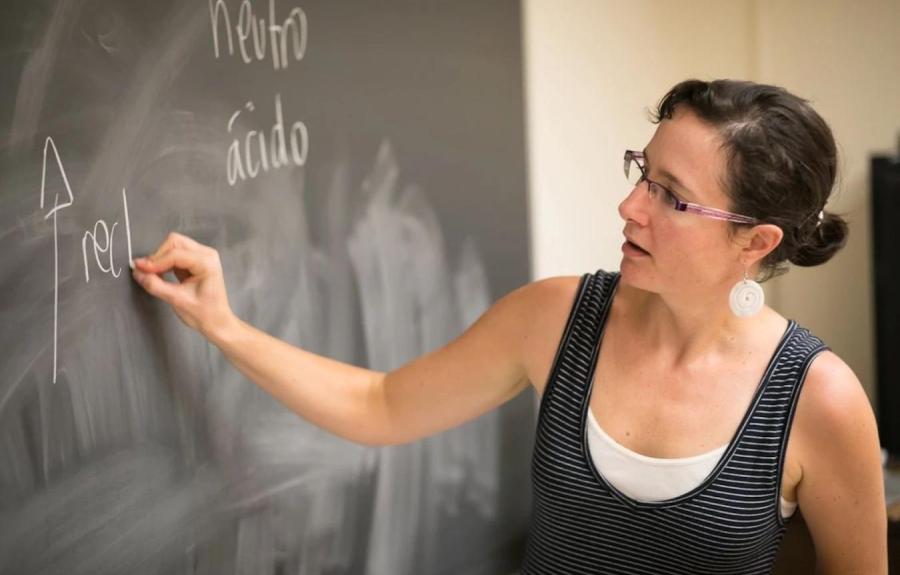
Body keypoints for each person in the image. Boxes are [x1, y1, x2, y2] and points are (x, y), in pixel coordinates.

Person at [132, 79, 887, 574]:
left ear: (756, 242)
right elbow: (383, 405)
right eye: (640, 172)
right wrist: (223, 325)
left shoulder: (820, 400)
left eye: (671, 196)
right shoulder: (559, 317)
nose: (631, 206)